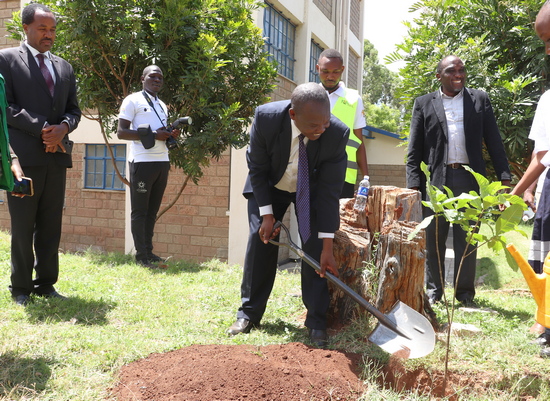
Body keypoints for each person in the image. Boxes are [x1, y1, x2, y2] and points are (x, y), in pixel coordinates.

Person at [227, 83, 349, 347]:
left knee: (315, 251)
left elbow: (329, 193)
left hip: (311, 191)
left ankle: (317, 322)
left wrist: (327, 245)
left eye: (325, 122)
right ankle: (249, 314)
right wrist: (267, 216)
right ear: (293, 115)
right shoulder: (267, 118)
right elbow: (257, 169)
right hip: (270, 186)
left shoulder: (336, 133)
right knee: (261, 242)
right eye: (314, 125)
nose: (322, 129)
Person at [406, 55, 511, 306]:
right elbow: (414, 150)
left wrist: (504, 179)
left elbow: (494, 142)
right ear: (438, 76)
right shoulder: (423, 104)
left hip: (469, 179)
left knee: (468, 239)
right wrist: (413, 188)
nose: (459, 75)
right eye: (452, 71)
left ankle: (465, 295)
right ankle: (435, 292)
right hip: (436, 182)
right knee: (434, 239)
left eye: (462, 71)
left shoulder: (479, 100)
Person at [0, 3, 81, 306]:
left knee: (50, 222)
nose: (49, 35)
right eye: (42, 28)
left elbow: (74, 110)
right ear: (26, 28)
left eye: (53, 29)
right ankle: (20, 288)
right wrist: (43, 127)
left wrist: (63, 127)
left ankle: (45, 283)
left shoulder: (64, 67)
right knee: (23, 224)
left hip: (56, 155)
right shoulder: (6, 60)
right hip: (23, 160)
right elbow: (4, 107)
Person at [510, 0, 550, 358]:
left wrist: (516, 192)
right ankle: (546, 320)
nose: (549, 48)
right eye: (545, 42)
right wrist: (528, 188)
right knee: (546, 253)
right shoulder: (548, 99)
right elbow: (541, 157)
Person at [117, 65, 179, 268]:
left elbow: (158, 130)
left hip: (162, 162)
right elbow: (122, 132)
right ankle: (141, 257)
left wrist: (169, 134)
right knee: (140, 211)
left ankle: (149, 252)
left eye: (160, 77)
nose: (157, 79)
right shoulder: (132, 100)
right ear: (142, 78)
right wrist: (154, 135)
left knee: (152, 211)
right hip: (142, 162)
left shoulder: (161, 104)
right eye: (153, 76)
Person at [316, 49, 368, 198]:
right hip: (313, 173)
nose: (330, 76)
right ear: (317, 68)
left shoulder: (354, 99)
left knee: (341, 221)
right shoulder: (309, 96)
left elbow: (359, 142)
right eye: (325, 71)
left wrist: (366, 178)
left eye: (336, 72)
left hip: (344, 177)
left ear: (342, 70)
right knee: (313, 220)